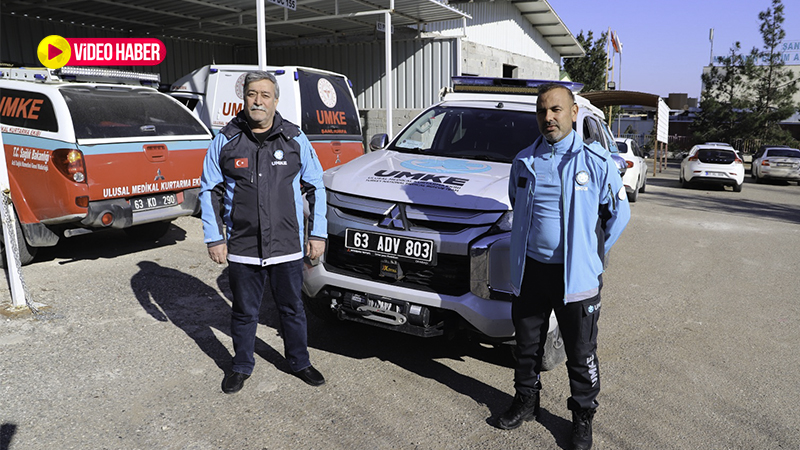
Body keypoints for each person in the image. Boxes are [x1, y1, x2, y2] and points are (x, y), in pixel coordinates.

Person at [498, 83, 630, 450]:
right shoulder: (524, 160)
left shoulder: (596, 161)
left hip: (577, 278)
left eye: (556, 109)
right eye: (542, 111)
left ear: (574, 112)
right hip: (531, 272)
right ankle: (526, 401)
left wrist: (592, 255)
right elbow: (516, 203)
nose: (548, 117)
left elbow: (619, 214)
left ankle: (582, 418)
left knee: (580, 352)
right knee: (526, 346)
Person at [199, 70, 328, 394]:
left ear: (276, 100)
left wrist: (318, 234)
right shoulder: (225, 140)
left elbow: (316, 186)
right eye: (252, 94)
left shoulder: (295, 138)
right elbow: (210, 190)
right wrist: (215, 238)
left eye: (265, 95)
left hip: (287, 244)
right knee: (244, 312)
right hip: (243, 246)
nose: (258, 101)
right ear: (244, 98)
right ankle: (241, 365)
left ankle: (299, 361)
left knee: (292, 309)